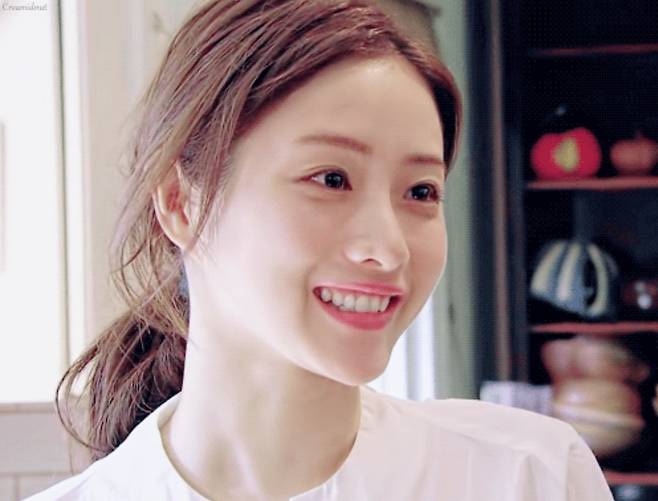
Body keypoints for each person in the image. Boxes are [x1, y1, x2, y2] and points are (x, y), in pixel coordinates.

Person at [27, 0, 614, 500]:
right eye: (331, 179)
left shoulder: (527, 477)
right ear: (182, 204)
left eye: (420, 191)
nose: (388, 249)